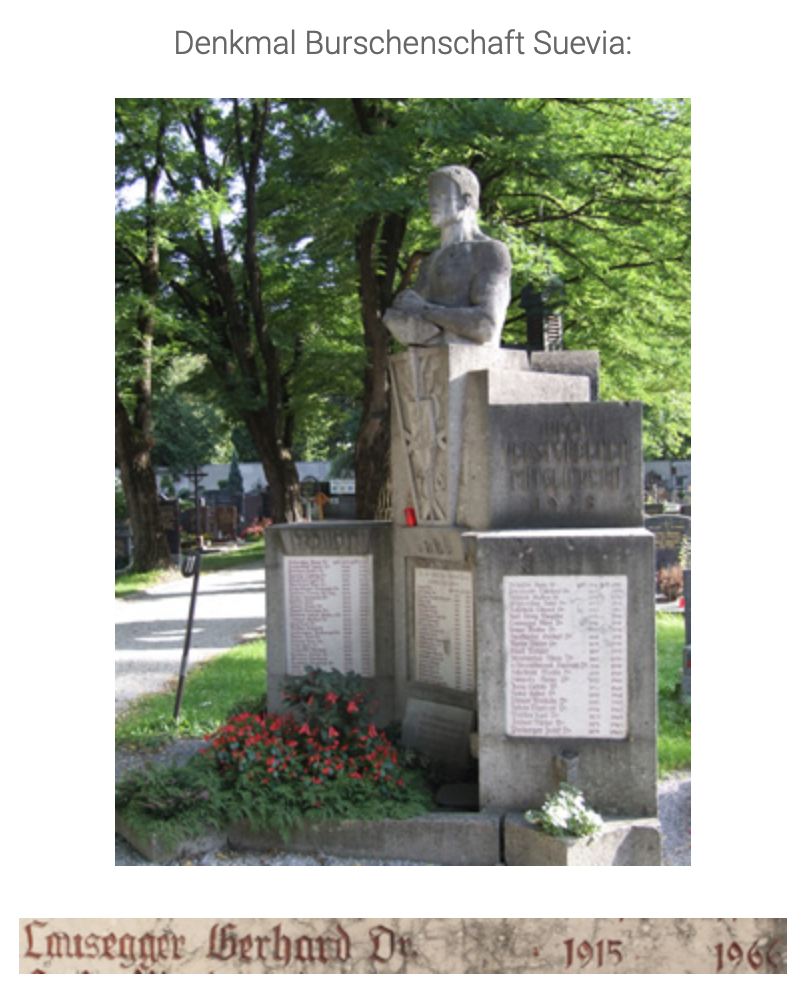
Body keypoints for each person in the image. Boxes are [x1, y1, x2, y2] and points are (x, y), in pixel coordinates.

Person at [383, 165, 512, 348]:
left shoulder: (489, 251)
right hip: (427, 363)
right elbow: (419, 326)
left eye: (442, 195)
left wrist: (424, 309)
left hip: (471, 365)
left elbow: (486, 324)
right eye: (431, 197)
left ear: (466, 201)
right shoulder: (428, 263)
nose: (433, 203)